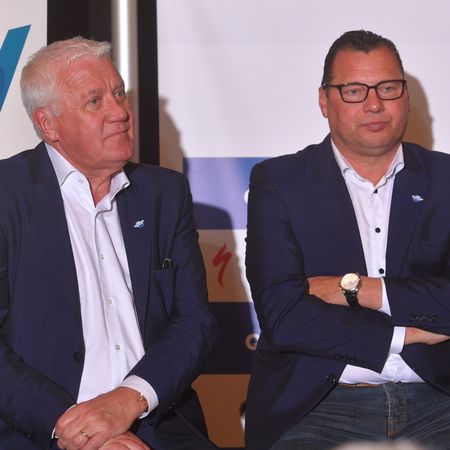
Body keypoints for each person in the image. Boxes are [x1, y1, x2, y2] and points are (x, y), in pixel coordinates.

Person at [0, 36, 218, 450]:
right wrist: (80, 430)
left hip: (155, 420)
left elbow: (195, 322)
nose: (120, 112)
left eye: (119, 93)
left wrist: (128, 400)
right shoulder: (7, 195)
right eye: (94, 101)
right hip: (46, 429)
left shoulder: (164, 194)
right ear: (49, 124)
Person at [245, 30, 450, 450]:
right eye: (354, 91)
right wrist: (404, 335)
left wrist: (358, 290)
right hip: (320, 406)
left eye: (388, 88)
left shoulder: (445, 179)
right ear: (325, 101)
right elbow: (283, 316)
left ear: (406, 97)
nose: (374, 104)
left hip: (439, 397)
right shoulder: (279, 183)